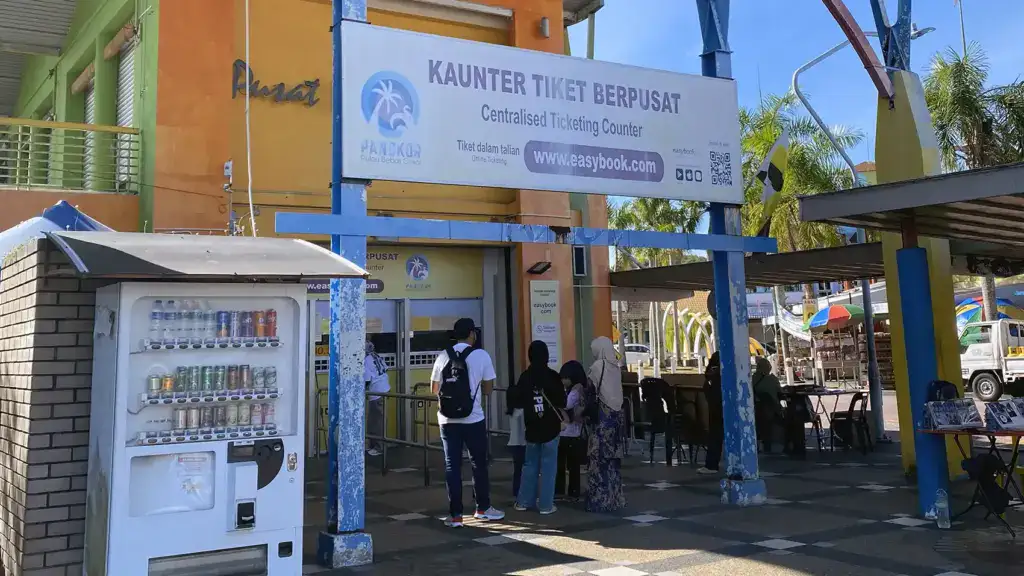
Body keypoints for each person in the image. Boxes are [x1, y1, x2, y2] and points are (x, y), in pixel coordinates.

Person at [430, 318, 505, 527]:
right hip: (473, 418)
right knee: (478, 463)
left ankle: (455, 516)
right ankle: (482, 508)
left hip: (446, 419)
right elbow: (489, 389)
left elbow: (434, 389)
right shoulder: (481, 355)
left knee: (452, 466)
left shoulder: (443, 356)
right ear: (472, 334)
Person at [512, 341, 566, 515]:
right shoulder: (553, 376)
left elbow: (517, 400)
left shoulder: (525, 377)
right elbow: (562, 401)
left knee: (530, 466)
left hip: (532, 428)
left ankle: (523, 502)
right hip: (551, 428)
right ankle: (545, 505)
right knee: (549, 468)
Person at [585, 336, 626, 513]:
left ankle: (599, 500)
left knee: (597, 461)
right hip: (616, 422)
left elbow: (590, 390)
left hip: (602, 422)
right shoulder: (615, 367)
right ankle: (615, 499)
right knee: (612, 463)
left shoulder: (597, 367)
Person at [556, 360, 587, 502]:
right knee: (573, 466)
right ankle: (573, 492)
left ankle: (562, 491)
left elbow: (566, 404)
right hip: (575, 432)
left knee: (562, 464)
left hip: (569, 432)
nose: (563, 381)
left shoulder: (575, 390)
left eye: (565, 378)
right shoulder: (582, 388)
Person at [364, 341, 390, 456]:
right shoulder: (375, 356)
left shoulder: (365, 360)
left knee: (376, 421)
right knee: (376, 420)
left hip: (376, 391)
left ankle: (378, 447)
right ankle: (374, 445)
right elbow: (386, 368)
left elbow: (367, 379)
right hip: (384, 388)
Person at [752, 356, 784, 453]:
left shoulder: (752, 379)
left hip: (755, 409)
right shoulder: (772, 380)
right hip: (772, 410)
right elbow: (780, 393)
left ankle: (758, 445)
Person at [698, 352, 723, 475]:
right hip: (726, 406)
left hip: (715, 407)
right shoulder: (725, 372)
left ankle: (712, 464)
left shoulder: (712, 375)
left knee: (715, 435)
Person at [505, 366, 527, 503]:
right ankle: (522, 490)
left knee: (517, 469)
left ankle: (516, 489)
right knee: (525, 468)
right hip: (523, 443)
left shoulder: (511, 412)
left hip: (513, 443)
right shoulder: (522, 412)